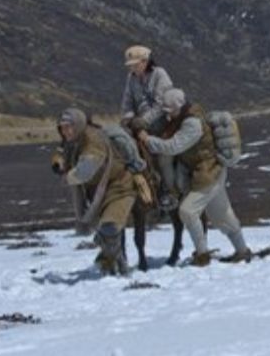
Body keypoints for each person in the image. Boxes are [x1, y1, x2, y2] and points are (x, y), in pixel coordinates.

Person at [139, 88, 251, 267]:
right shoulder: (183, 118)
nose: (167, 115)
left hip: (208, 174)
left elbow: (173, 147)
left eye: (169, 111)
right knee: (223, 216)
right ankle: (243, 251)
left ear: (179, 107)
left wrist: (148, 140)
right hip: (211, 172)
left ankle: (202, 255)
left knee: (187, 211)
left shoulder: (192, 124)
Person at [54, 108, 141, 275]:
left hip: (119, 188)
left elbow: (85, 171)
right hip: (98, 193)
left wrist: (68, 177)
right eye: (62, 127)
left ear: (78, 125)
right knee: (108, 230)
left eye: (68, 126)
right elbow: (64, 154)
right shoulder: (75, 140)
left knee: (110, 227)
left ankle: (115, 265)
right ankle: (118, 266)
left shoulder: (93, 140)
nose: (65, 131)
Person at [120, 45, 174, 132]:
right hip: (138, 120)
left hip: (159, 119)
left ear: (145, 62)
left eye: (136, 65)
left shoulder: (159, 74)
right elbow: (127, 102)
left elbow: (161, 104)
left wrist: (145, 120)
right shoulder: (131, 77)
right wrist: (127, 118)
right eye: (130, 66)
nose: (133, 68)